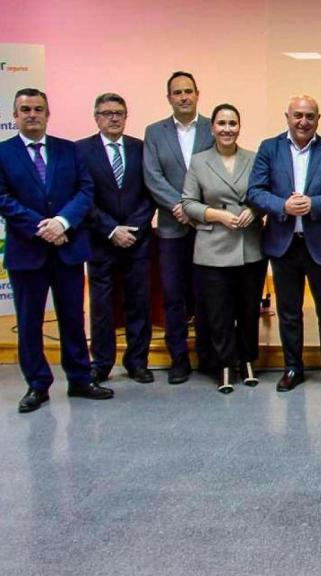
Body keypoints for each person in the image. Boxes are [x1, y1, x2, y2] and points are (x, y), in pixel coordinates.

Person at [0, 88, 113, 413]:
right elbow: (3, 199)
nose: (32, 114)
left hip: (68, 249)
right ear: (15, 116)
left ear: (48, 114)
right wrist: (43, 227)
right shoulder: (4, 153)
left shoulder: (68, 150)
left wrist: (62, 223)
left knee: (73, 318)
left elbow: (85, 190)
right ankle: (37, 385)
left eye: (38, 109)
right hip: (27, 252)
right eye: (25, 110)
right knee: (30, 321)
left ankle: (79, 378)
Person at [247, 95, 321, 392]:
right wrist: (283, 205)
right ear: (287, 117)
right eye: (298, 115)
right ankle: (292, 368)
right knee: (289, 311)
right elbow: (255, 192)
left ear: (318, 119)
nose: (303, 122)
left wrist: (314, 204)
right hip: (284, 244)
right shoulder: (269, 148)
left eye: (309, 116)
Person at [181, 103, 265, 394]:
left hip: (249, 246)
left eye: (232, 123)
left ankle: (248, 361)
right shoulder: (199, 161)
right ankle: (224, 364)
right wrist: (217, 215)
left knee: (248, 309)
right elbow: (188, 202)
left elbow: (264, 193)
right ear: (212, 127)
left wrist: (254, 210)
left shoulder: (254, 158)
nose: (227, 129)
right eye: (222, 123)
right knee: (218, 312)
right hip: (213, 246)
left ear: (239, 127)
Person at [77, 93, 154, 386]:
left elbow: (150, 193)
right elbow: (84, 196)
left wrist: (132, 228)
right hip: (100, 241)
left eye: (119, 112)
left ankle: (137, 362)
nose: (114, 118)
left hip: (137, 240)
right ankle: (102, 363)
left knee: (139, 303)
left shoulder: (140, 148)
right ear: (96, 117)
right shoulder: (82, 151)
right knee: (102, 306)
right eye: (107, 113)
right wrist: (111, 229)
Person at [143, 71, 214, 384]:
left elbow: (220, 171)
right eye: (177, 92)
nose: (183, 97)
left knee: (206, 295)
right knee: (173, 296)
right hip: (172, 228)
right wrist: (181, 207)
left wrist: (195, 210)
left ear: (198, 94)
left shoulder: (214, 127)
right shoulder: (154, 132)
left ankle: (209, 356)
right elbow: (152, 176)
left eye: (188, 91)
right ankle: (179, 360)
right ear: (168, 97)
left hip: (207, 229)